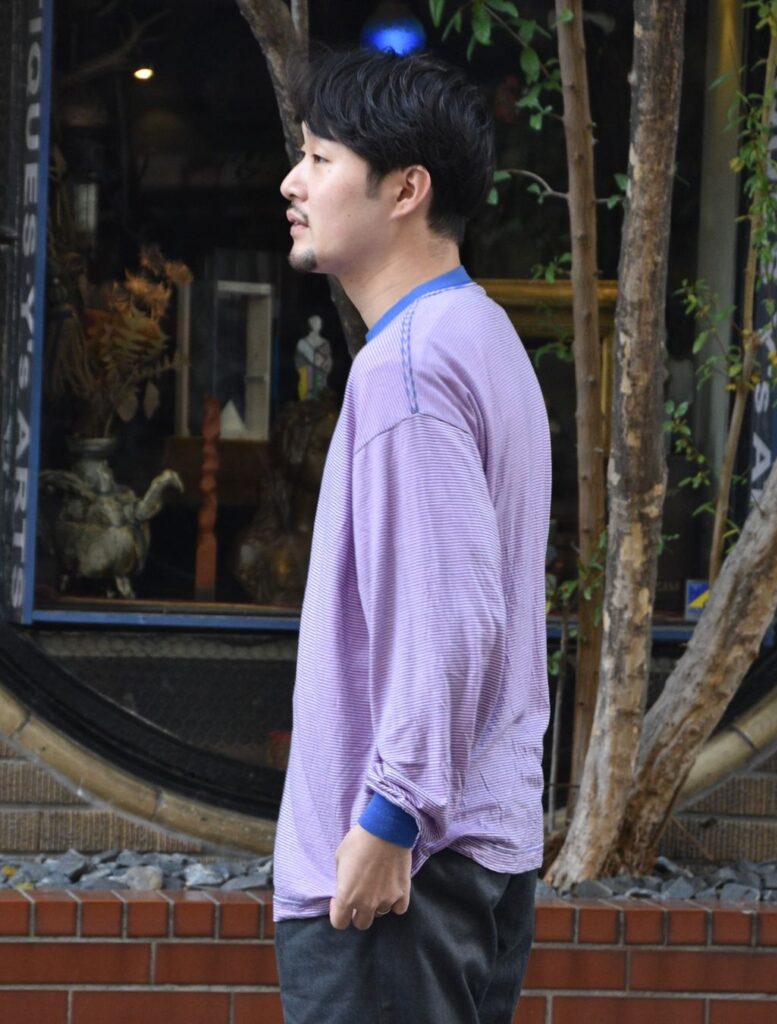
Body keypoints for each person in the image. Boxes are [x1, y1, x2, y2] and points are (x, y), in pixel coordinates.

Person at [273, 48, 552, 1024]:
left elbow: (454, 617)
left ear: (405, 189)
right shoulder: (481, 335)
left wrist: (390, 818)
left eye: (320, 158)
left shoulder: (408, 368)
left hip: (402, 879)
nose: (292, 182)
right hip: (472, 856)